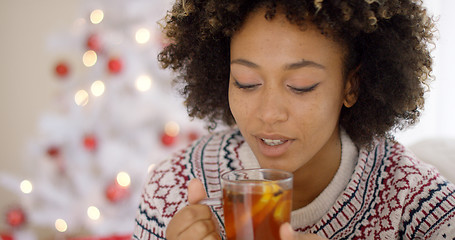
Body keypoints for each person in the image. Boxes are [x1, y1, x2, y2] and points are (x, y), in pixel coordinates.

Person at [133, 0, 455, 239]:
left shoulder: (419, 204)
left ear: (351, 86)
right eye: (246, 82)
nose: (269, 113)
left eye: (300, 86)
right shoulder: (173, 190)